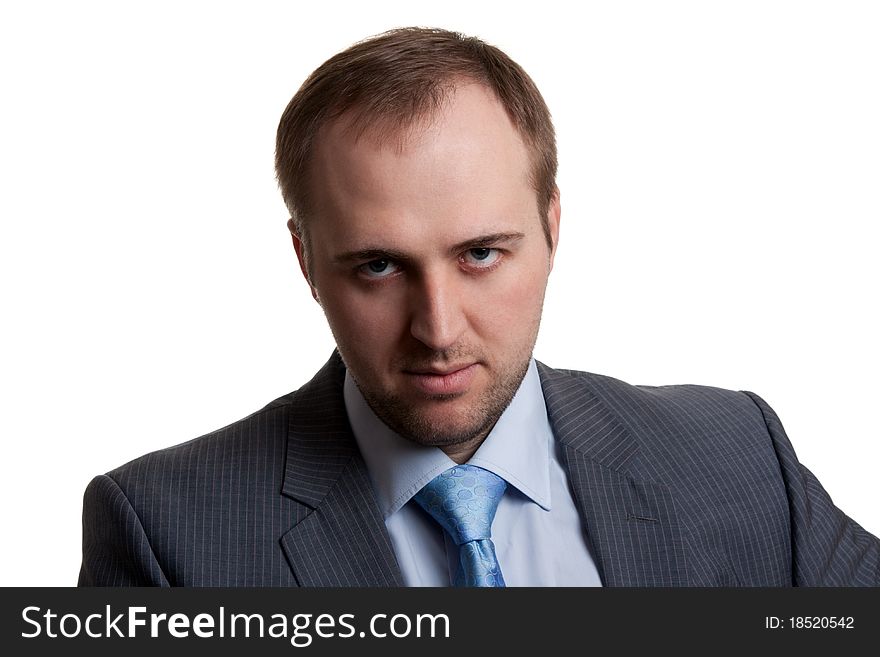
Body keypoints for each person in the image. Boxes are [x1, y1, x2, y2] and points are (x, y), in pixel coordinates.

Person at [78, 26, 880, 587]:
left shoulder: (737, 458)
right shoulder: (167, 535)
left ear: (552, 226)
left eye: (481, 255)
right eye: (379, 265)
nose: (439, 329)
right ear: (306, 262)